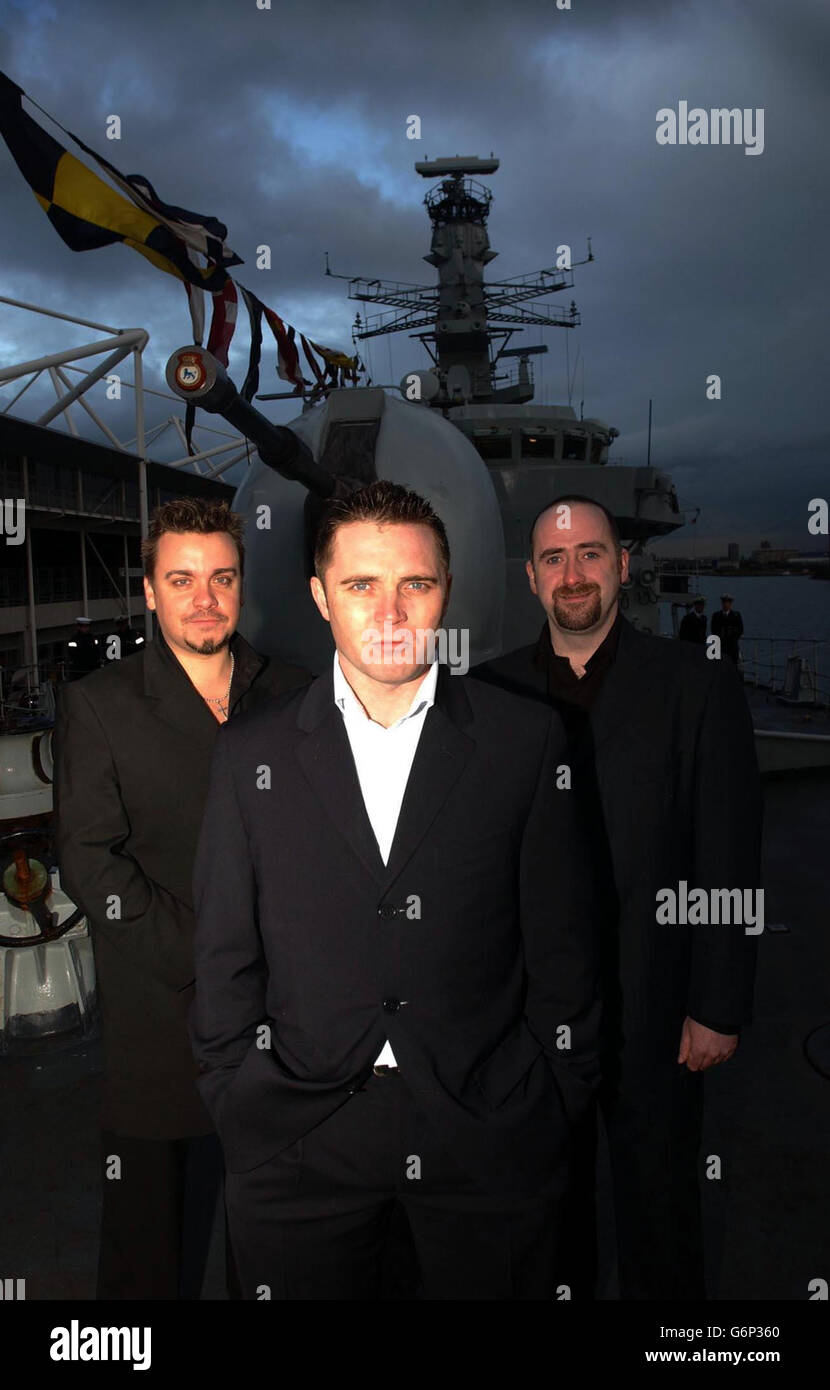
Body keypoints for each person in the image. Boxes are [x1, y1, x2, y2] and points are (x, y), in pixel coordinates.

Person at [190, 480, 601, 1301]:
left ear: (446, 591)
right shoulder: (250, 755)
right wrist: (239, 1102)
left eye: (415, 584)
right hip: (300, 1138)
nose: (391, 611)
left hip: (484, 1135)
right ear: (319, 597)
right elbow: (226, 954)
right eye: (360, 585)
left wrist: (548, 1099)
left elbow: (568, 951)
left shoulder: (526, 742)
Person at [472, 495, 761, 1300]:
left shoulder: (696, 688)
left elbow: (728, 856)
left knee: (662, 1217)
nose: (574, 574)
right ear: (531, 578)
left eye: (591, 554)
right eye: (556, 560)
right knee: (543, 1216)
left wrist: (718, 1004)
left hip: (661, 1010)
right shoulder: (486, 695)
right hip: (529, 1019)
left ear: (623, 567)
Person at [53, 498, 308, 1300]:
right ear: (151, 591)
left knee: (274, 1245)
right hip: (163, 1024)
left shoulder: (298, 693)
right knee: (146, 1256)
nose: (205, 597)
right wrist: (214, 962)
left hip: (288, 1026)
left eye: (222, 577)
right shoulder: (99, 706)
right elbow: (92, 863)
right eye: (183, 578)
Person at [711, 593, 744, 664]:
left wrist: (733, 636)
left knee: (733, 665)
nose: (725, 604)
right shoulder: (716, 616)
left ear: (730, 604)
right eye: (724, 602)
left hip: (732, 646)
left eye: (727, 602)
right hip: (720, 645)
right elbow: (714, 630)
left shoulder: (736, 616)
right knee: (720, 665)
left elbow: (740, 630)